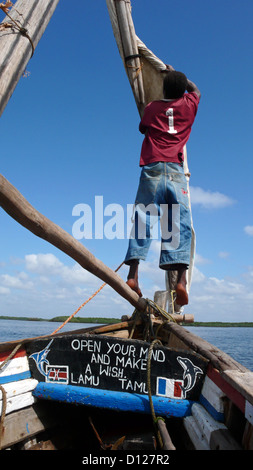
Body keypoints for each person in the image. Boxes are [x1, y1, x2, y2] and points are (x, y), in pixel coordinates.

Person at [124, 68, 201, 306]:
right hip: (176, 172)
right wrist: (179, 76)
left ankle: (132, 275)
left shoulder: (152, 108)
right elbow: (196, 90)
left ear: (164, 89)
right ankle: (181, 282)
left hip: (153, 169)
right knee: (178, 223)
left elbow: (143, 128)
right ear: (182, 91)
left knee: (143, 217)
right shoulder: (189, 105)